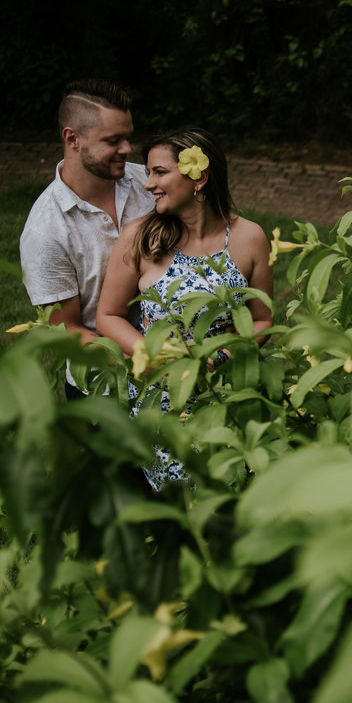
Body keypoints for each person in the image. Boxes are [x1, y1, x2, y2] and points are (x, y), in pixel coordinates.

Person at [96, 127, 274, 490]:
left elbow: (262, 320)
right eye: (148, 173)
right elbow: (108, 316)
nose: (148, 184)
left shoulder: (249, 237)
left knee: (231, 495)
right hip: (161, 397)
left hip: (226, 391)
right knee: (177, 510)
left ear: (199, 176)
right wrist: (156, 356)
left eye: (159, 172)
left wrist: (217, 357)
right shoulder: (141, 236)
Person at [19, 79, 157, 397]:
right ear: (72, 138)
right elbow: (66, 330)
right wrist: (144, 360)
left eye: (127, 137)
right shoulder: (45, 231)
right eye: (113, 140)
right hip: (104, 389)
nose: (126, 149)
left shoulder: (147, 182)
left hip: (178, 367)